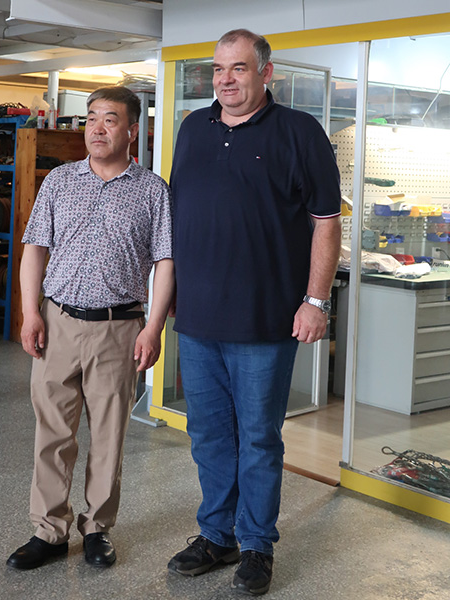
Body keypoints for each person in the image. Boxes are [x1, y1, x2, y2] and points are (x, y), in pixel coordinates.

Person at [167, 29, 341, 595]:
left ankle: (257, 545)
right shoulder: (193, 128)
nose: (225, 79)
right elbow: (181, 217)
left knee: (259, 438)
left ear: (266, 73)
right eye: (218, 69)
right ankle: (217, 535)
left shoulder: (300, 132)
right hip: (197, 321)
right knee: (208, 435)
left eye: (238, 68)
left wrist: (315, 300)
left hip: (265, 321)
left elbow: (326, 222)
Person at [7, 86, 174, 571]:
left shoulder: (153, 191)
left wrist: (154, 327)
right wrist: (31, 313)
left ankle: (98, 528)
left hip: (119, 329)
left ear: (132, 130)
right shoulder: (60, 181)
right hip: (58, 322)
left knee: (108, 434)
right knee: (52, 433)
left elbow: (166, 263)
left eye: (110, 120)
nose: (97, 129)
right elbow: (35, 249)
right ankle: (49, 531)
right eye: (91, 118)